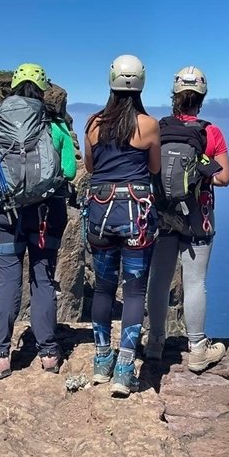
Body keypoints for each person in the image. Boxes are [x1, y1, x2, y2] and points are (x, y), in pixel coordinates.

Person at [0, 63, 77, 378]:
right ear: (42, 89)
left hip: (7, 214)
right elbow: (70, 171)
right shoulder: (55, 125)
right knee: (42, 278)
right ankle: (48, 352)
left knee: (8, 280)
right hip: (46, 213)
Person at [84, 54, 161, 397]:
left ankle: (102, 361)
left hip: (100, 213)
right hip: (136, 216)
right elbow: (154, 169)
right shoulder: (149, 125)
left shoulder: (93, 123)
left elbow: (90, 167)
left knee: (103, 288)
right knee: (133, 291)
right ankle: (125, 370)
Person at [145, 66, 229, 372]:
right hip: (199, 215)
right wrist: (201, 171)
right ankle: (197, 350)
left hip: (164, 213)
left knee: (159, 280)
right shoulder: (211, 132)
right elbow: (224, 178)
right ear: (202, 98)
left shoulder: (159, 128)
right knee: (194, 282)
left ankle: (155, 343)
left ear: (174, 94)